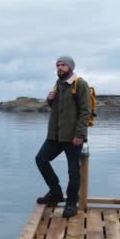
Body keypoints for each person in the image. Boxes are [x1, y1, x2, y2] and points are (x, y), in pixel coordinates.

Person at [35, 56, 91, 218]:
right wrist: (49, 100)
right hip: (55, 135)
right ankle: (55, 192)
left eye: (63, 65)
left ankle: (71, 203)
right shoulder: (58, 84)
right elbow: (59, 108)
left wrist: (80, 134)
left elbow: (85, 111)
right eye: (58, 65)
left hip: (73, 137)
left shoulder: (80, 84)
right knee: (41, 159)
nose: (59, 67)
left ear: (71, 67)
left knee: (73, 171)